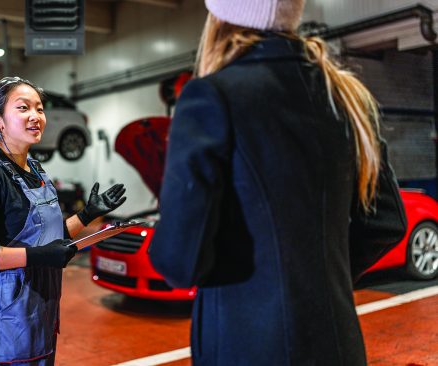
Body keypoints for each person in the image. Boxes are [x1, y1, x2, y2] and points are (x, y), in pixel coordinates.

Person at [148, 1, 407, 365]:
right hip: (337, 343)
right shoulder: (348, 97)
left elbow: (179, 263)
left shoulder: (212, 95)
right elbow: (386, 221)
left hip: (248, 344)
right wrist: (317, 277)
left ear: (220, 15)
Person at [0, 76, 126, 365]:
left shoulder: (35, 168)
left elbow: (48, 237)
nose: (36, 116)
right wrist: (39, 255)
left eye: (40, 109)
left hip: (39, 316)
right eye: (23, 108)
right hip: (3, 325)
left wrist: (87, 215)